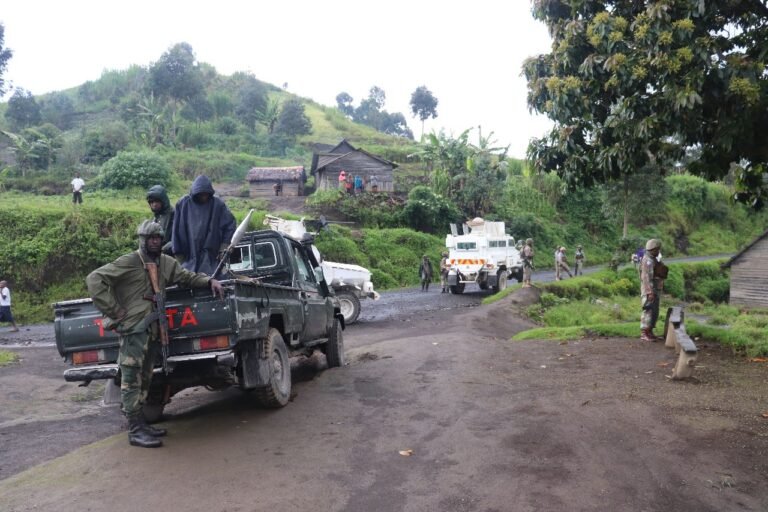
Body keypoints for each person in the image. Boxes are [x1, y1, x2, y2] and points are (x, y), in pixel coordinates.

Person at [86, 220, 224, 448]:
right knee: (131, 378)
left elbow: (185, 276)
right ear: (142, 239)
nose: (155, 242)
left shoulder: (166, 263)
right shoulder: (130, 261)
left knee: (146, 377)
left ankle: (142, 424)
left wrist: (209, 280)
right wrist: (114, 310)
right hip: (134, 330)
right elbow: (94, 279)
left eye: (158, 238)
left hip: (153, 329)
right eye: (151, 238)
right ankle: (134, 429)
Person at [171, 175, 236, 276]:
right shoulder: (183, 204)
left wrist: (223, 247)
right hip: (188, 258)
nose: (204, 197)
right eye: (201, 194)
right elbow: (176, 231)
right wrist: (179, 255)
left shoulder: (218, 205)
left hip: (211, 258)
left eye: (206, 194)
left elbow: (230, 224)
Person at [639, 239, 663, 342]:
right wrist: (649, 292)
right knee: (648, 310)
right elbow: (645, 277)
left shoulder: (654, 259)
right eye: (657, 249)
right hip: (649, 290)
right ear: (653, 249)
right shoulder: (647, 260)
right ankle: (644, 333)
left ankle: (650, 331)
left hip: (655, 289)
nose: (658, 251)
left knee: (654, 311)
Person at [146, 185, 174, 255]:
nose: (154, 204)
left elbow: (179, 237)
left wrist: (164, 249)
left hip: (170, 253)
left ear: (163, 201)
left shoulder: (173, 214)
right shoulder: (157, 216)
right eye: (152, 202)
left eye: (157, 201)